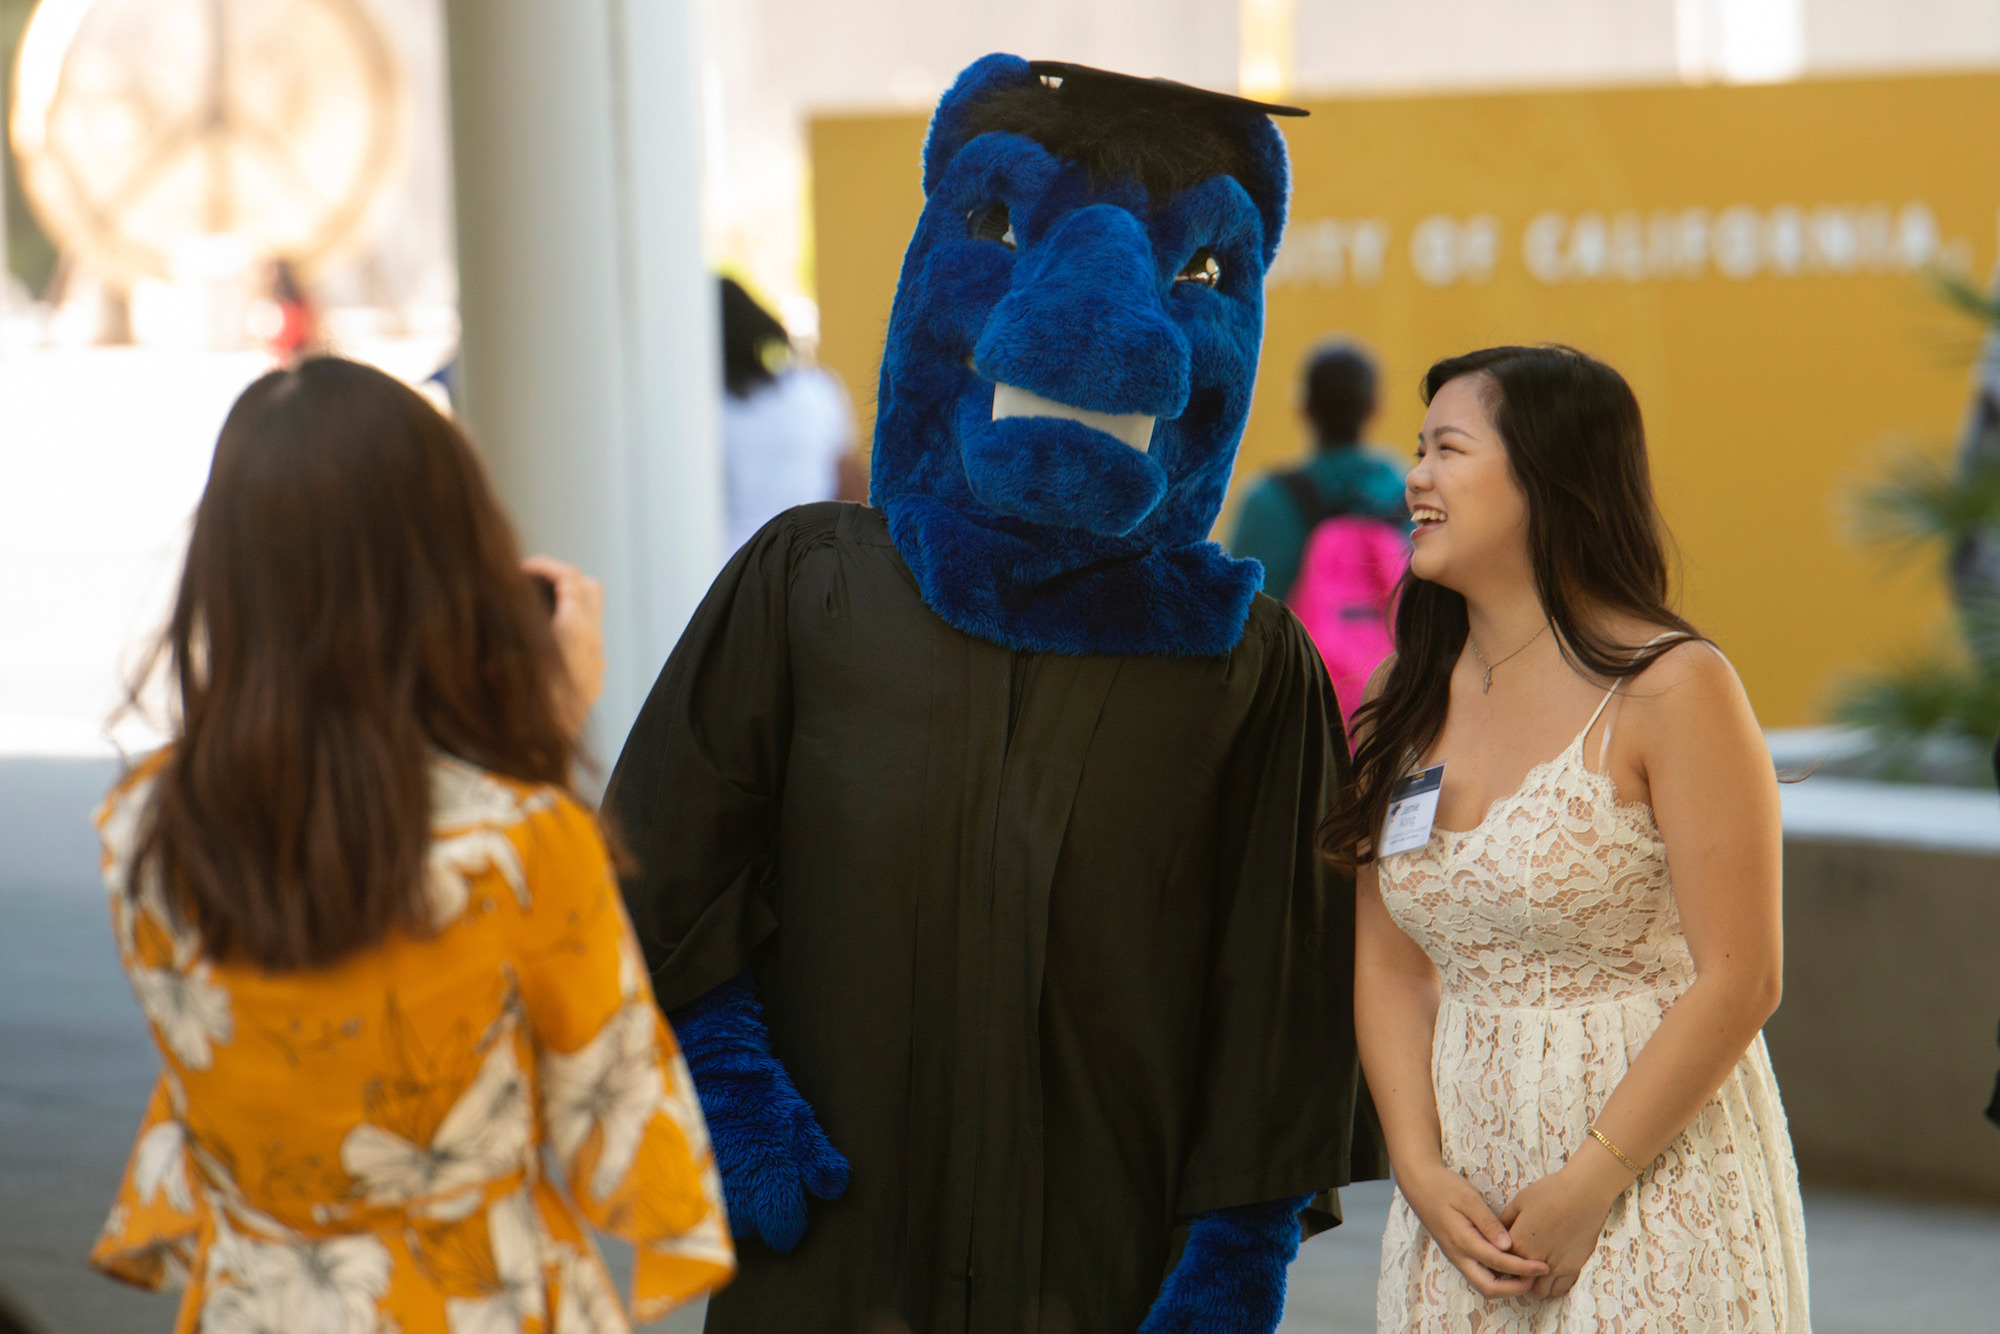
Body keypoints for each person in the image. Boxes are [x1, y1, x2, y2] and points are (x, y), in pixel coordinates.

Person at [606, 55, 1380, 1334]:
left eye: (1196, 273)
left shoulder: (1245, 669)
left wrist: (1233, 1257)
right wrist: (731, 1098)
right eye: (997, 225)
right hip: (839, 1255)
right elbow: (662, 863)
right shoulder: (810, 587)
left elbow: (1279, 996)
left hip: (1098, 1271)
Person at [88, 358, 733, 1330]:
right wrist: (538, 731)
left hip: (256, 1300)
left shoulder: (145, 822)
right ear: (449, 563)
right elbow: (613, 1121)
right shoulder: (521, 841)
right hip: (475, 1297)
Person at [1330, 345, 1809, 1329]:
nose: (1413, 474)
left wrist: (1591, 1179)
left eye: (1447, 448)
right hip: (1459, 1199)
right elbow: (1386, 963)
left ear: (1545, 476)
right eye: (1416, 448)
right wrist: (1416, 1169)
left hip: (1648, 1181)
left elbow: (1740, 975)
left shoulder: (1674, 686)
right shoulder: (1399, 693)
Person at [1228, 340, 1408, 600]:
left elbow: (1238, 611)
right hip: (1390, 642)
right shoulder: (1412, 498)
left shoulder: (1265, 501)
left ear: (1305, 407)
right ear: (1375, 408)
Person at [718, 276, 858, 552]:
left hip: (727, 575)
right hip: (814, 565)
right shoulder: (817, 390)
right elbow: (852, 487)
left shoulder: (710, 413)